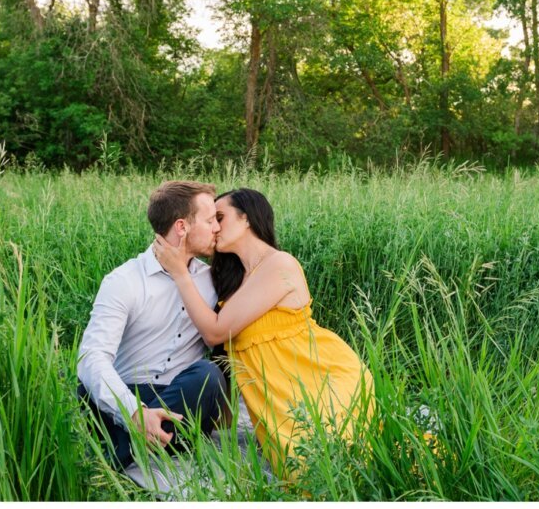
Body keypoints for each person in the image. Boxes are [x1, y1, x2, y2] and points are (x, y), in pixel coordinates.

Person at [153, 188, 374, 478]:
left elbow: (215, 332)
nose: (215, 227)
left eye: (221, 217)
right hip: (283, 399)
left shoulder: (279, 264)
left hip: (320, 381)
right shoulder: (236, 280)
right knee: (302, 471)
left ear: (246, 219)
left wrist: (180, 272)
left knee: (328, 471)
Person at [76, 180, 228, 481]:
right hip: (128, 394)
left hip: (181, 400)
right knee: (88, 392)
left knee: (208, 377)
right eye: (210, 220)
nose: (216, 229)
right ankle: (140, 437)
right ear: (182, 227)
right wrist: (134, 412)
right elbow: (91, 357)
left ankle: (119, 450)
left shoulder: (214, 281)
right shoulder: (124, 281)